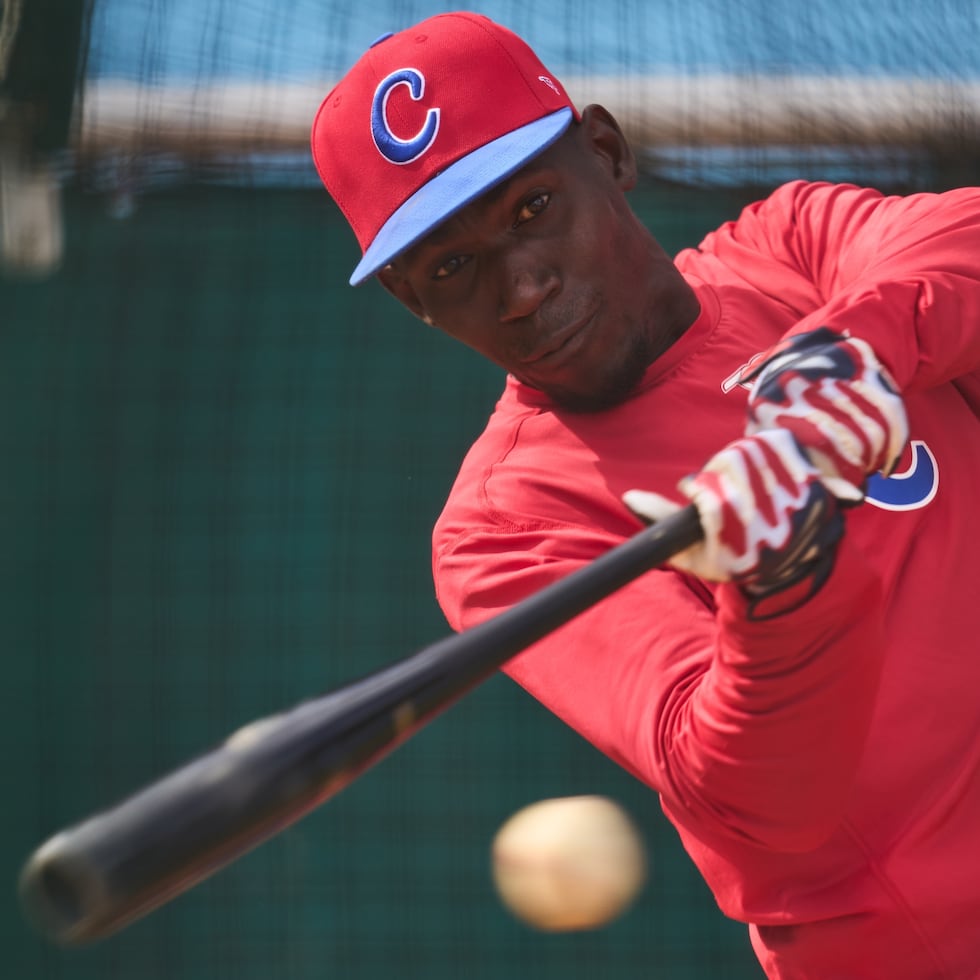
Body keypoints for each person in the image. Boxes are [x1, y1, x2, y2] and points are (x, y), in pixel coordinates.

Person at [310, 12, 980, 978]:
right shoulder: (504, 528)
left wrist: (852, 350)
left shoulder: (787, 253)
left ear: (605, 153)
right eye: (454, 268)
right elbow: (758, 799)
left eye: (532, 209)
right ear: (413, 303)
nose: (521, 288)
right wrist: (781, 582)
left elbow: (957, 239)